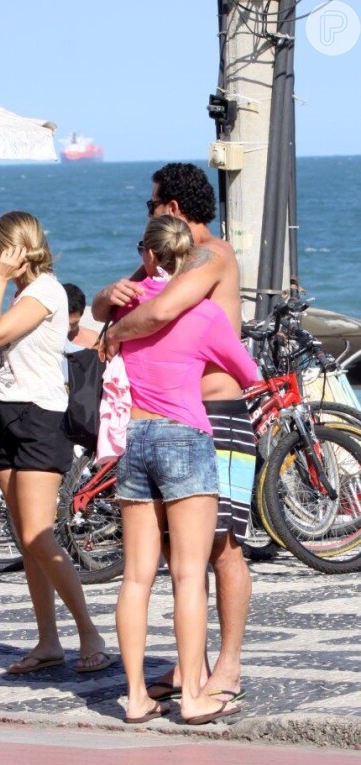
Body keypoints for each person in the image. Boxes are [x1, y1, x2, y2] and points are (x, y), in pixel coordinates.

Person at [92, 162, 256, 704]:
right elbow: (111, 303)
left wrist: (115, 332)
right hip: (172, 423)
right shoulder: (167, 257)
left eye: (152, 205)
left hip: (220, 413)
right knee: (177, 553)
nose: (148, 214)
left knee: (224, 545)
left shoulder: (212, 256)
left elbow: (160, 310)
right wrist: (106, 300)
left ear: (174, 209)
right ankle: (191, 669)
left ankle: (225, 666)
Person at [0, 211, 114, 674]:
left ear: (11, 249)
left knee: (38, 534)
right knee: (25, 539)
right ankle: (47, 641)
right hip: (5, 414)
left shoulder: (45, 292)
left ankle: (89, 632)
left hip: (38, 417)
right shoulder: (21, 294)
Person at [62, 283, 99, 348]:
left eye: (73, 324)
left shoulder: (92, 340)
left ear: (81, 315)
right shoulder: (41, 336)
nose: (68, 329)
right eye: (63, 322)